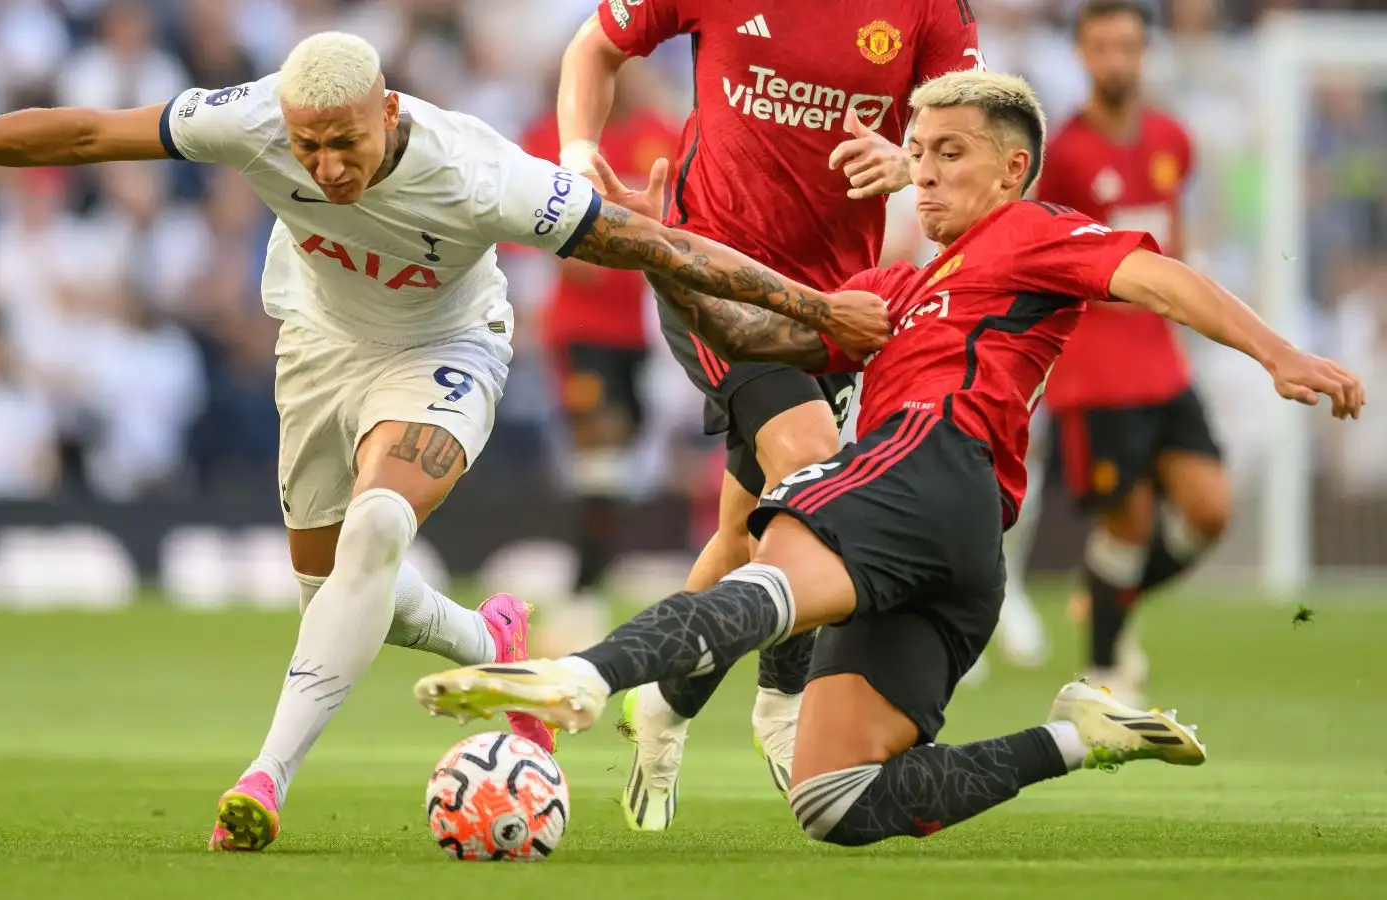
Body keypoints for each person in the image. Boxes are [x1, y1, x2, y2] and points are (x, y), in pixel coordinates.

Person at [0, 31, 891, 852]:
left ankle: (263, 779)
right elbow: (84, 133)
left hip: (445, 350)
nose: (327, 167)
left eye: (346, 141)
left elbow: (656, 243)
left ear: (389, 111)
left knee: (380, 528)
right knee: (332, 593)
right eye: (308, 148)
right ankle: (496, 644)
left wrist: (814, 307)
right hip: (319, 349)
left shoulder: (483, 177)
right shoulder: (247, 119)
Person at [412, 70, 1364, 848]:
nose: (926, 173)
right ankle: (1079, 736)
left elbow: (1155, 276)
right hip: (955, 549)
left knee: (769, 549)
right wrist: (657, 247)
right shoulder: (896, 287)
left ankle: (584, 675)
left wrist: (1277, 352)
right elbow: (755, 334)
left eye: (950, 153)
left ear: (1012, 169)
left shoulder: (1031, 234)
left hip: (933, 460)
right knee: (838, 801)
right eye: (917, 155)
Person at [557, 0, 985, 828]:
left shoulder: (931, 8)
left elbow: (969, 126)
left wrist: (910, 159)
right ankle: (783, 704)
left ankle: (665, 707)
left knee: (747, 530)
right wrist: (578, 161)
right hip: (712, 274)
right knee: (813, 468)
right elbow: (593, 47)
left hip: (834, 307)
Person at [1036, 0, 1224, 706]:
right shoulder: (1063, 155)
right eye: (1102, 47)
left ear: (1145, 53)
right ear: (1082, 55)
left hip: (1163, 360)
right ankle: (1107, 676)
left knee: (1210, 508)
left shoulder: (1174, 141)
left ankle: (1107, 593)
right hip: (1094, 368)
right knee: (1129, 521)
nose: (1116, 59)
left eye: (1127, 46)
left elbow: (1171, 242)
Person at [516, 72, 682, 654]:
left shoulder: (663, 135)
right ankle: (580, 600)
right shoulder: (553, 140)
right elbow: (547, 242)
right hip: (580, 330)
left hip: (645, 330)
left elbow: (685, 227)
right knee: (602, 455)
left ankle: (585, 591)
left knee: (617, 468)